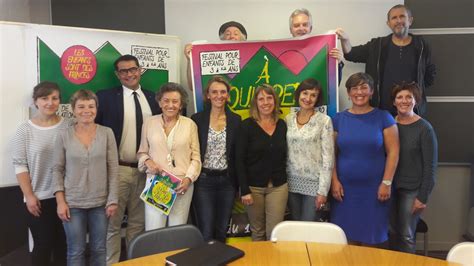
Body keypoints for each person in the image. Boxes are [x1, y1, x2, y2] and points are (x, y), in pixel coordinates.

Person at [95, 54, 161, 265]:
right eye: (123, 71)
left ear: (140, 70)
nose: (129, 74)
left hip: (148, 171)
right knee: (113, 225)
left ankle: (135, 262)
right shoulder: (105, 97)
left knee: (137, 224)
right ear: (117, 74)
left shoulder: (154, 98)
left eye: (133, 69)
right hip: (118, 170)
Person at [330, 72, 399, 245]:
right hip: (344, 192)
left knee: (372, 241)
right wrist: (334, 181)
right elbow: (330, 154)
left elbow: (394, 152)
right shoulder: (338, 119)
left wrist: (387, 183)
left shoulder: (384, 118)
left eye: (363, 88)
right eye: (354, 88)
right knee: (345, 241)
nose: (359, 92)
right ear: (348, 92)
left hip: (375, 191)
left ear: (371, 92)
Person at [53, 89, 118, 266]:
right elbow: (57, 169)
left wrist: (112, 199)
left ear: (97, 108)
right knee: (76, 251)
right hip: (72, 204)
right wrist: (60, 202)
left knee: (99, 249)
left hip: (100, 204)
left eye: (91, 106)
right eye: (81, 106)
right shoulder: (63, 135)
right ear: (73, 109)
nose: (86, 110)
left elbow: (113, 168)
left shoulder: (107, 133)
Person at [336, 4, 436, 116]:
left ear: (410, 20)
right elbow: (351, 54)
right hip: (382, 112)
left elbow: (429, 75)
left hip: (413, 112)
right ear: (388, 23)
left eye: (402, 16)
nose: (398, 20)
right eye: (394, 18)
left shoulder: (422, 45)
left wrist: (416, 91)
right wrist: (345, 39)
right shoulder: (377, 45)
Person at [12, 81, 70, 266]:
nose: (50, 103)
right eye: (44, 98)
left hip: (68, 196)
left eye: (55, 98)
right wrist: (29, 196)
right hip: (39, 198)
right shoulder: (25, 130)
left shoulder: (69, 126)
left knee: (64, 245)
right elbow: (20, 166)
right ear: (35, 101)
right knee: (43, 245)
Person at [137, 82, 201, 230]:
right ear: (160, 102)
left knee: (177, 231)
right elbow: (142, 152)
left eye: (175, 101)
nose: (170, 105)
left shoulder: (190, 124)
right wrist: (147, 161)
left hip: (181, 185)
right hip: (157, 183)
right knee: (154, 230)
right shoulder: (149, 123)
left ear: (181, 105)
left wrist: (188, 179)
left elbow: (196, 158)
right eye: (166, 101)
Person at [191, 76, 241, 242]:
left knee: (221, 229)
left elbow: (237, 155)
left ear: (227, 95)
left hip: (227, 182)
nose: (219, 95)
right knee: (206, 229)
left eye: (223, 92)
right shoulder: (197, 119)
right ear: (208, 95)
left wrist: (240, 185)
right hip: (204, 181)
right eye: (214, 92)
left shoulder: (235, 120)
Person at [389, 82, 438, 253]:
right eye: (399, 97)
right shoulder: (388, 124)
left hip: (412, 191)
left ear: (416, 100)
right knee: (390, 234)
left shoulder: (425, 129)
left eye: (409, 97)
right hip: (389, 188)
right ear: (394, 102)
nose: (404, 101)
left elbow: (430, 168)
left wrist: (423, 197)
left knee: (406, 235)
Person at [236, 84, 288, 241]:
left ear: (275, 100)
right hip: (253, 188)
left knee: (275, 233)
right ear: (255, 103)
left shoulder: (282, 125)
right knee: (257, 231)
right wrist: (244, 190)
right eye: (261, 99)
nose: (265, 102)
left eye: (269, 98)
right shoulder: (246, 126)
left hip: (278, 187)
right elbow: (239, 160)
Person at [286, 78, 334, 221]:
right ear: (298, 95)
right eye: (305, 93)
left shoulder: (324, 121)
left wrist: (323, 191)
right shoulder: (288, 119)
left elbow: (328, 158)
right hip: (290, 183)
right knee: (295, 226)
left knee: (308, 228)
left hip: (314, 185)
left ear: (318, 99)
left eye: (313, 95)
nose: (308, 98)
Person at [184, 21, 248, 90]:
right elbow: (193, 86)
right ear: (222, 39)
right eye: (228, 34)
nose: (232, 36)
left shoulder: (251, 59)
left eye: (236, 34)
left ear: (242, 39)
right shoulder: (211, 58)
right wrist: (190, 60)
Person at [289, 8, 344, 83]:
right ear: (291, 30)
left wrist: (338, 63)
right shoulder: (281, 53)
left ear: (310, 28)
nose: (301, 28)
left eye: (305, 25)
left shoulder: (324, 50)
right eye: (296, 25)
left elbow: (333, 85)